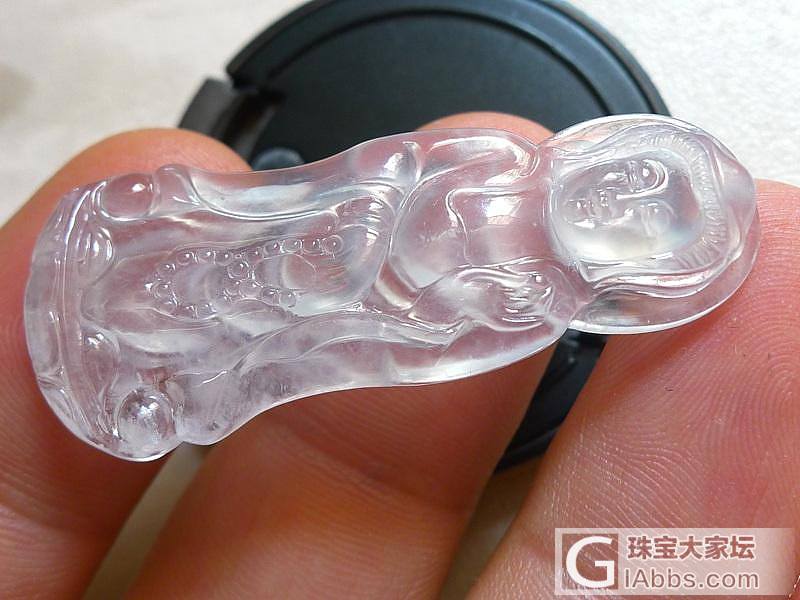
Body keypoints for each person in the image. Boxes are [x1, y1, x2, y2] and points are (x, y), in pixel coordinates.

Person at [1, 112, 798, 597]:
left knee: (264, 336)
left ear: (636, 269)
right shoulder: (502, 160)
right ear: (611, 152)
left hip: (363, 309)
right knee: (226, 249)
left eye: (646, 218)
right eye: (640, 177)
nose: (623, 199)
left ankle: (151, 383)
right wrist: (376, 201)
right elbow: (398, 163)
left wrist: (428, 303)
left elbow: (422, 345)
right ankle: (121, 249)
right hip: (339, 220)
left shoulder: (537, 302)